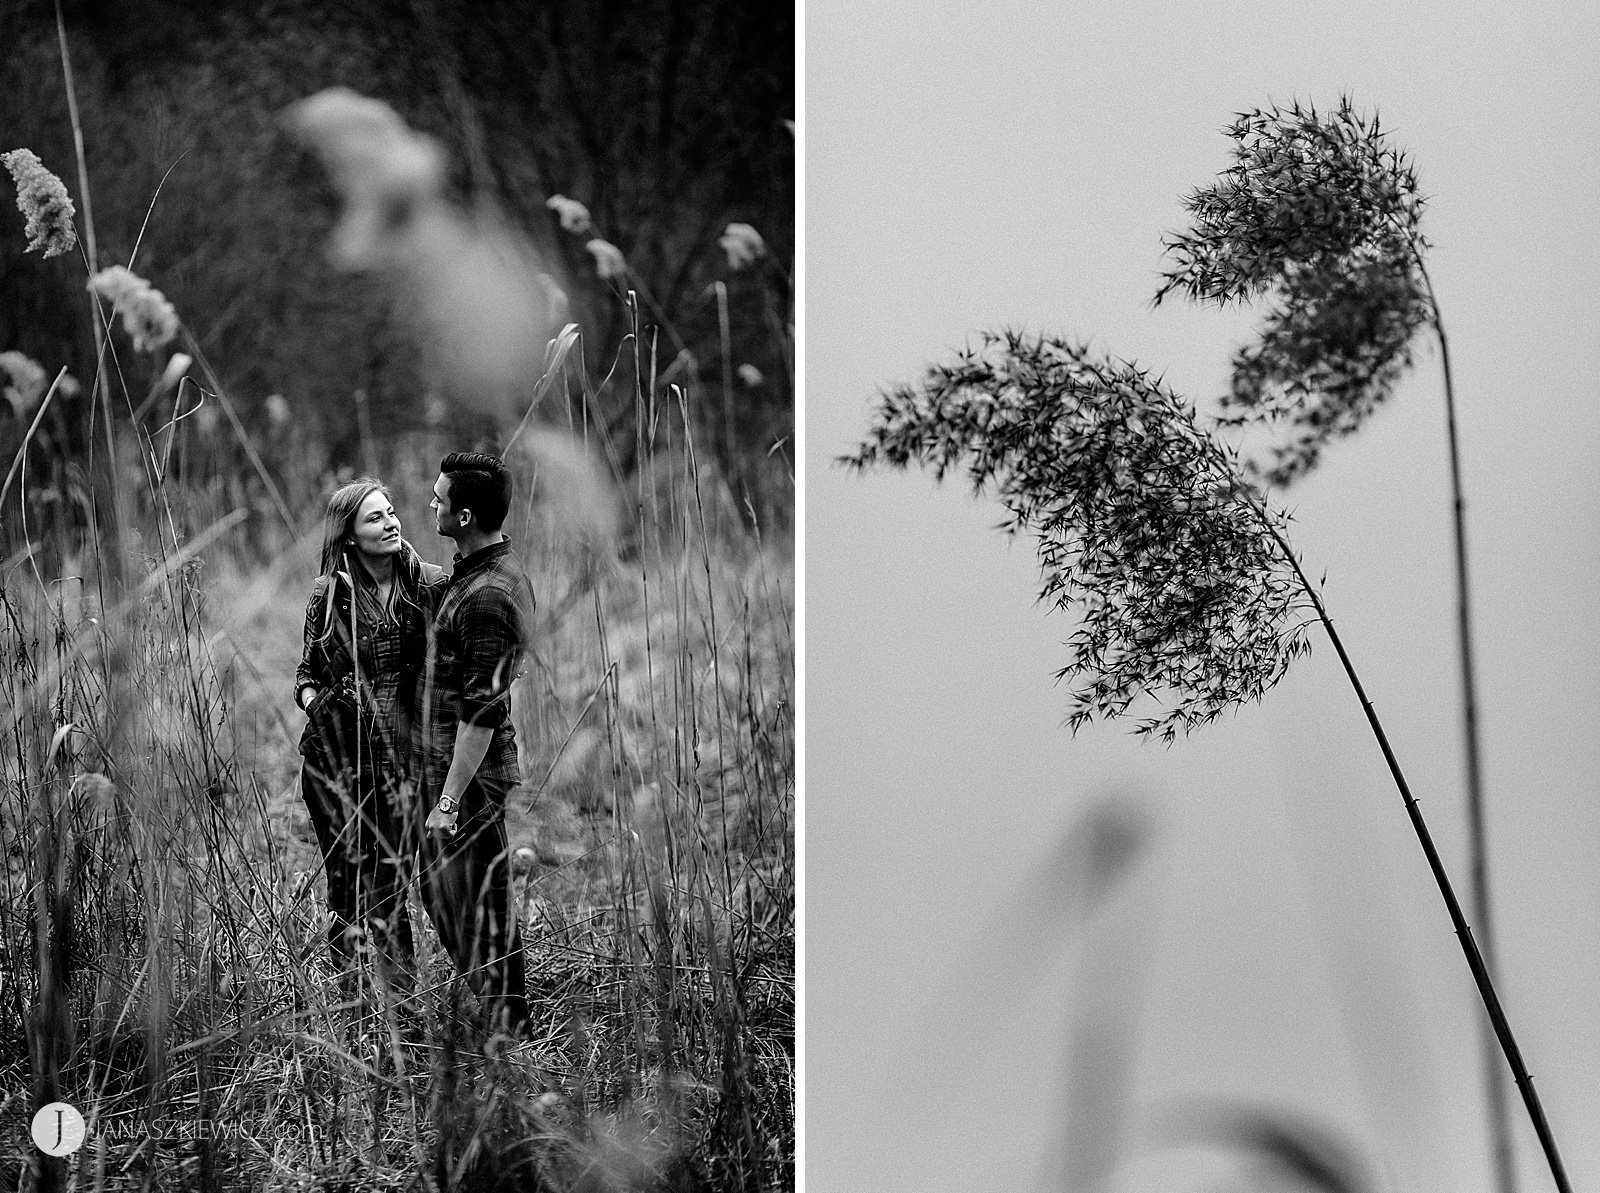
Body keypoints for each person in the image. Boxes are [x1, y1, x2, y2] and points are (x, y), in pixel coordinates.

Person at [295, 477, 445, 1003]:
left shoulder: (426, 586)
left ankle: (398, 1001)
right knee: (348, 880)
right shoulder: (329, 594)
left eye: (391, 512)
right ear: (350, 536)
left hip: (400, 765)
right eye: (374, 518)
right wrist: (322, 711)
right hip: (336, 761)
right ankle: (356, 997)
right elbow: (305, 674)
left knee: (390, 877)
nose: (391, 523)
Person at [416, 451, 536, 1039]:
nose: (430, 505)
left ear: (464, 516)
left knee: (473, 899)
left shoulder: (490, 594)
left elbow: (481, 714)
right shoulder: (479, 572)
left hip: (472, 775)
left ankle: (509, 1026)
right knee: (454, 891)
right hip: (459, 768)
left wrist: (448, 800)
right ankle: (501, 1014)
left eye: (438, 499)